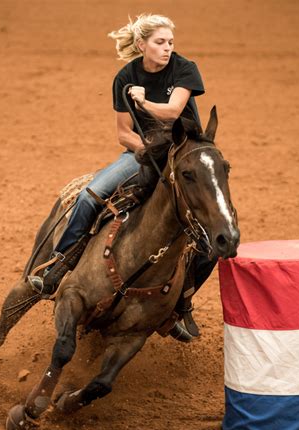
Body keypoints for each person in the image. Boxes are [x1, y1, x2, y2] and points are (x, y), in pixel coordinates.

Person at [28, 14, 217, 323]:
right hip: (142, 153)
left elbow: (172, 112)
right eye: (159, 43)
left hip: (185, 155)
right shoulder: (125, 77)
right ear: (142, 45)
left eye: (170, 42)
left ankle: (182, 305)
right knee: (92, 196)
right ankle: (58, 265)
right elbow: (123, 133)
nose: (167, 48)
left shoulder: (184, 69)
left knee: (211, 239)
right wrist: (146, 151)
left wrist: (143, 103)